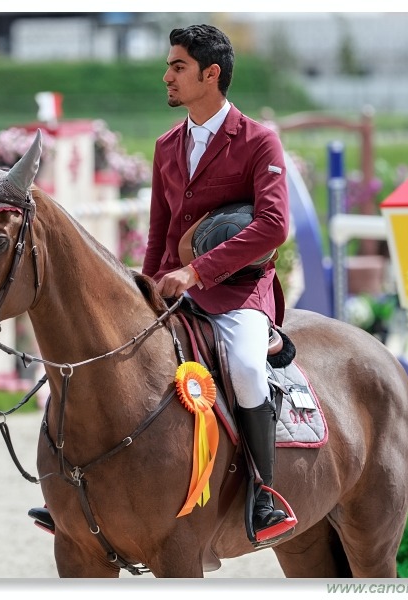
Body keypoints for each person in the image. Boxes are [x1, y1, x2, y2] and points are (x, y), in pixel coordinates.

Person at [29, 24, 293, 544]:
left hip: (238, 290)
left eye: (177, 67)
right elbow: (159, 230)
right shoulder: (167, 144)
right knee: (102, 358)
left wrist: (197, 271)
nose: (166, 76)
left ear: (210, 75)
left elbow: (273, 225)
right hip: (171, 289)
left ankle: (264, 492)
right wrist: (142, 289)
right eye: (169, 65)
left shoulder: (259, 140)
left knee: (243, 365)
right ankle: (67, 491)